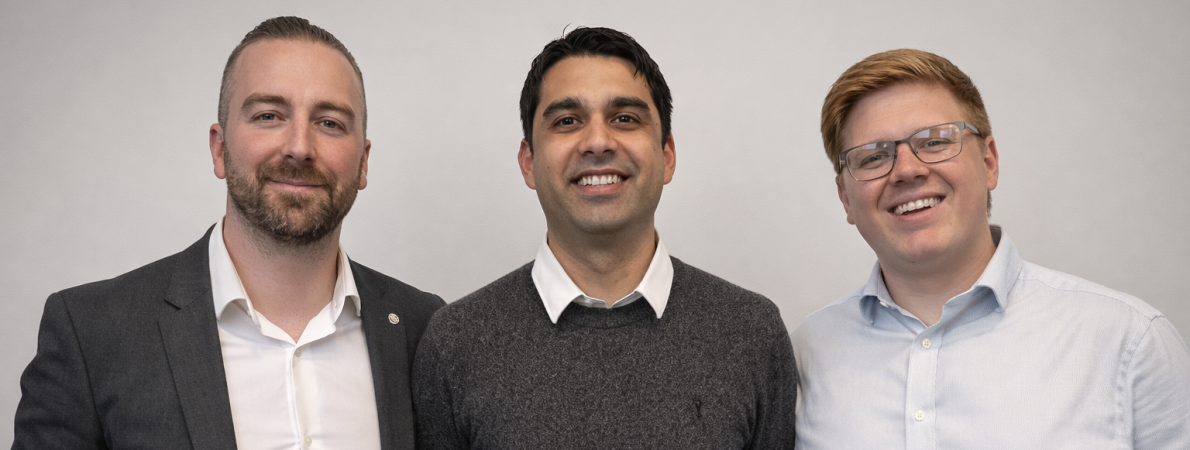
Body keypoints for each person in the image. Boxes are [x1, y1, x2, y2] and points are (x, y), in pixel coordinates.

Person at [13, 16, 443, 450]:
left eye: (329, 122)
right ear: (219, 149)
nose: (299, 146)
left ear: (364, 162)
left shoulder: (426, 330)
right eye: (269, 115)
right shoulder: (92, 333)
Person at [411, 27, 797, 449]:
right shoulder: (455, 343)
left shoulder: (751, 333)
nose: (597, 141)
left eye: (625, 119)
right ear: (528, 162)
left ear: (666, 155)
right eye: (567, 121)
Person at [792, 48, 1190, 449]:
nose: (907, 170)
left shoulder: (1129, 342)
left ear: (989, 162)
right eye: (874, 156)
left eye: (933, 142)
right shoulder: (804, 356)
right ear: (845, 198)